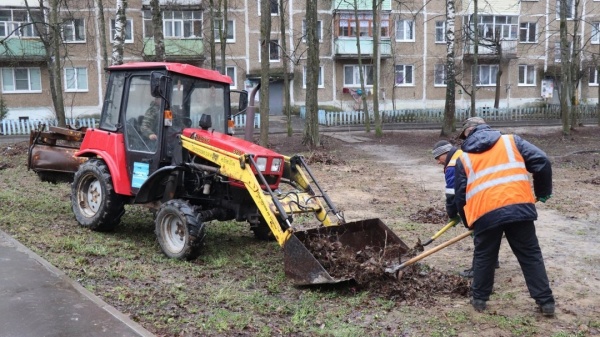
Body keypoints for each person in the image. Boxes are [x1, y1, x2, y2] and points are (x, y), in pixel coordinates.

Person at [454, 116, 555, 316]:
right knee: (530, 255)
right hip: (519, 209)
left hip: (485, 215)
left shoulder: (463, 158)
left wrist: (469, 223)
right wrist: (543, 191)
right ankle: (546, 302)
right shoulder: (511, 141)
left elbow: (460, 196)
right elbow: (542, 161)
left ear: (469, 131)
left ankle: (480, 300)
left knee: (484, 256)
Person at [432, 140, 498, 278]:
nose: (438, 162)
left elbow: (452, 194)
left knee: (478, 234)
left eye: (438, 158)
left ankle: (478, 269)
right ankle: (493, 260)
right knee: (488, 232)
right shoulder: (465, 154)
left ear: (445, 153)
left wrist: (452, 214)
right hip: (489, 197)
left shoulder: (452, 165)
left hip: (476, 202)